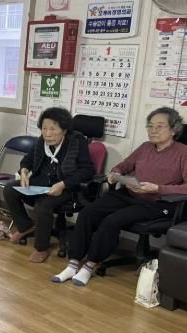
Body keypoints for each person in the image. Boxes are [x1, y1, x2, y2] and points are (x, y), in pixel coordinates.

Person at [53, 107, 187, 286]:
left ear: (173, 130)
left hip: (157, 202)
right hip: (131, 194)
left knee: (112, 220)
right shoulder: (145, 147)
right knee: (88, 212)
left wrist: (158, 188)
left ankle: (90, 264)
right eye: (150, 125)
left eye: (160, 126)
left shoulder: (183, 152)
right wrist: (115, 173)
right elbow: (124, 165)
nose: (153, 130)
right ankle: (73, 263)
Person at [4, 107, 95, 263]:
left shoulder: (76, 141)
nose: (47, 133)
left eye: (53, 129)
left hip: (66, 187)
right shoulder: (42, 140)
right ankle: (26, 226)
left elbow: (88, 170)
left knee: (42, 205)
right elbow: (27, 160)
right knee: (10, 189)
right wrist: (24, 172)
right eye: (44, 128)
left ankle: (41, 248)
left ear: (64, 130)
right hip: (41, 183)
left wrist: (63, 184)